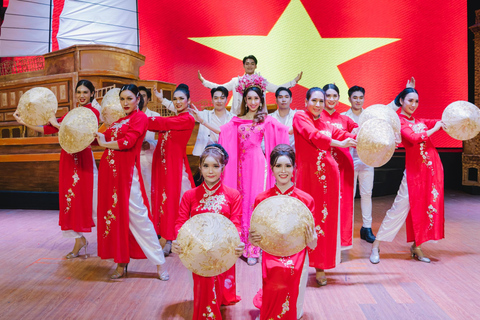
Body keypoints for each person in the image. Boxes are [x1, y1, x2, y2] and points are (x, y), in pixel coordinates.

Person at [14, 80, 99, 259]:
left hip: (83, 159)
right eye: (78, 92)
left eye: (85, 92)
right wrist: (23, 121)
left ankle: (105, 239)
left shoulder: (93, 113)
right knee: (69, 199)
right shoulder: (71, 113)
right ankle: (78, 239)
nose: (81, 96)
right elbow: (47, 129)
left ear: (92, 93)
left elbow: (81, 133)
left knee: (88, 198)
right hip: (68, 159)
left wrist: (58, 124)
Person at [95, 84, 169, 280]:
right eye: (122, 99)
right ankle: (121, 263)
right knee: (118, 219)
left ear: (138, 98)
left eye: (129, 98)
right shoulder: (120, 120)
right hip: (111, 177)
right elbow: (104, 137)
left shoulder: (140, 118)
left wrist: (104, 143)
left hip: (127, 177)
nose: (125, 103)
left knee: (140, 218)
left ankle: (160, 263)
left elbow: (127, 142)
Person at [218, 78, 290, 266]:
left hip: (258, 164)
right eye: (249, 98)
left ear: (260, 100)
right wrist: (201, 121)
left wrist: (302, 125)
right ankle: (241, 243)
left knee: (255, 200)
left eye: (256, 98)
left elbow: (283, 131)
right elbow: (224, 132)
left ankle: (254, 248)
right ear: (245, 100)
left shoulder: (265, 119)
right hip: (241, 165)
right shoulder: (236, 120)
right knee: (241, 200)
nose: (252, 102)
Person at [369, 87, 446, 264]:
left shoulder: (419, 120)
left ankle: (417, 246)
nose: (413, 104)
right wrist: (434, 129)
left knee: (423, 208)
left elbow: (440, 122)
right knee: (398, 209)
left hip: (430, 170)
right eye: (410, 100)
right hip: (414, 173)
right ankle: (376, 245)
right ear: (402, 101)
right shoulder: (400, 122)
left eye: (416, 101)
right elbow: (413, 138)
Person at [172, 144, 245, 320]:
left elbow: (236, 223)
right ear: (200, 167)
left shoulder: (233, 195)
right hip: (198, 249)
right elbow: (180, 222)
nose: (210, 171)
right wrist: (179, 239)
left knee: (215, 286)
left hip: (222, 248)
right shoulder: (190, 195)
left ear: (223, 168)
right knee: (206, 280)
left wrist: (235, 241)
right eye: (206, 166)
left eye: (215, 166)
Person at [293, 87, 356, 285]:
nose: (319, 104)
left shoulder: (325, 122)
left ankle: (321, 266)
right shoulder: (300, 117)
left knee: (325, 221)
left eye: (321, 101)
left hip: (329, 178)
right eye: (315, 100)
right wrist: (341, 143)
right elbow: (314, 137)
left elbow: (344, 133)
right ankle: (297, 264)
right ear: (306, 101)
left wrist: (363, 135)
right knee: (304, 219)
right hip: (307, 177)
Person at [250, 144, 317, 320]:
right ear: (271, 168)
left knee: (291, 285)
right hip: (271, 253)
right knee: (274, 276)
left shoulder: (305, 200)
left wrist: (312, 239)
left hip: (298, 253)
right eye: (278, 165)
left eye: (288, 165)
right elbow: (256, 239)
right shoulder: (262, 200)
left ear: (294, 168)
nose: (283, 171)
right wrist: (253, 239)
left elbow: (313, 242)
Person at [149, 84, 196, 255]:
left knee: (173, 201)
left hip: (175, 166)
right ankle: (166, 237)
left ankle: (171, 238)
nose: (177, 102)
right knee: (163, 200)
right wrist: (163, 100)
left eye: (181, 99)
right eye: (175, 99)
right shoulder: (177, 116)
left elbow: (163, 122)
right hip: (162, 164)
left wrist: (139, 118)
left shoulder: (187, 119)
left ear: (188, 100)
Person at [320, 84, 358, 251]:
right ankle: (322, 243)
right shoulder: (316, 118)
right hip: (322, 166)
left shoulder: (344, 119)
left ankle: (341, 244)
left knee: (344, 204)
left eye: (335, 96)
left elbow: (358, 131)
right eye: (328, 96)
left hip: (344, 167)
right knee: (324, 203)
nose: (332, 99)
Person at [198, 55, 302, 115]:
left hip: (258, 116)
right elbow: (220, 88)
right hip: (240, 115)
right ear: (243, 65)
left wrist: (293, 81)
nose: (250, 66)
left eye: (252, 63)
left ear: (256, 66)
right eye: (247, 63)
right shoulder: (236, 81)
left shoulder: (262, 81)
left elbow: (277, 89)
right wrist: (204, 81)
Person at [341, 86, 376, 243]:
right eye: (355, 97)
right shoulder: (343, 117)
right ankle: (345, 229)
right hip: (349, 160)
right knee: (349, 196)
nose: (358, 100)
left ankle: (367, 228)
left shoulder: (370, 117)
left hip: (367, 160)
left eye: (361, 97)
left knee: (367, 194)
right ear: (349, 99)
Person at [189, 86, 234, 156]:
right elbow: (185, 113)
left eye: (222, 98)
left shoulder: (233, 117)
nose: (219, 101)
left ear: (226, 100)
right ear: (212, 100)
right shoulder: (205, 114)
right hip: (208, 155)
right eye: (216, 98)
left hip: (228, 154)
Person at [137, 86, 160, 206]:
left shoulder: (155, 115)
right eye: (138, 96)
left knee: (150, 190)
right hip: (133, 159)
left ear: (149, 98)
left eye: (143, 96)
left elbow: (163, 140)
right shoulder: (130, 116)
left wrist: (150, 144)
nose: (140, 99)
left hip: (150, 157)